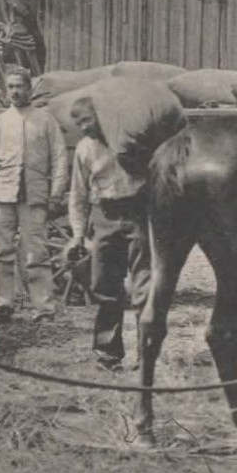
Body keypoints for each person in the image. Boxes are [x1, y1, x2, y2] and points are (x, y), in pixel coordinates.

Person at [0, 66, 67, 321]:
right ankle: (1, 305)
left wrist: (56, 194)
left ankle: (44, 307)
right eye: (11, 87)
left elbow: (60, 160)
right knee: (0, 251)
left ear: (29, 88)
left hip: (35, 197)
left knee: (36, 253)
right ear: (6, 91)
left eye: (20, 86)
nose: (15, 91)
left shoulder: (46, 121)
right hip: (1, 195)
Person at [66, 95, 151, 368]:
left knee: (143, 288)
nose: (83, 127)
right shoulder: (84, 149)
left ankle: (146, 354)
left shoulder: (133, 142)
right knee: (105, 287)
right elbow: (78, 195)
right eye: (78, 123)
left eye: (86, 120)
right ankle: (108, 354)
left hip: (138, 217)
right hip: (103, 218)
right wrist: (78, 234)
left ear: (100, 116)